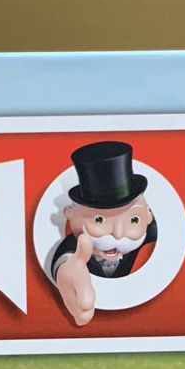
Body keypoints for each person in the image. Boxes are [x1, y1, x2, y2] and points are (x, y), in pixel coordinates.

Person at [46, 140, 159, 328]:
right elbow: (65, 259)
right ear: (69, 215)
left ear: (149, 215)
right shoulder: (74, 247)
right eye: (99, 220)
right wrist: (64, 272)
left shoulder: (154, 240)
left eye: (133, 220)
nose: (118, 234)